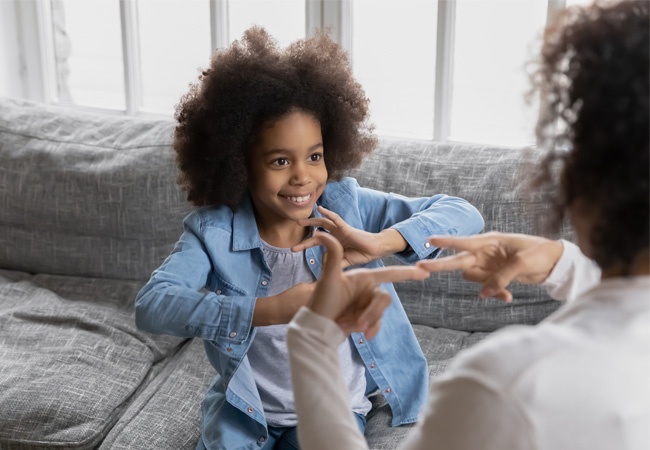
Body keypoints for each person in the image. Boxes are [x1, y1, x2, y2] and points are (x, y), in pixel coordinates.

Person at [287, 1, 649, 449]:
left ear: (581, 177)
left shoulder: (508, 384)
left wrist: (312, 341)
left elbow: (458, 211)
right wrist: (563, 263)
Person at [134, 27, 484, 450]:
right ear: (239, 164)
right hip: (246, 411)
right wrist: (269, 309)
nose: (303, 176)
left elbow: (465, 214)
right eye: (280, 160)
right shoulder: (212, 232)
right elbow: (153, 305)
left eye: (314, 156)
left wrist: (379, 243)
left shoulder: (347, 207)